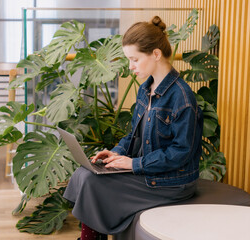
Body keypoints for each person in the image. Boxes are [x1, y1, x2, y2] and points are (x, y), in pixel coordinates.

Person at [63, 16, 204, 240]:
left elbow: (181, 153)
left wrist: (134, 163)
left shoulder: (182, 98)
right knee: (86, 172)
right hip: (149, 170)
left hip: (173, 181)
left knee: (93, 182)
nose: (130, 66)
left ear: (156, 54)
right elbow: (133, 135)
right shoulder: (145, 89)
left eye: (134, 59)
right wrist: (117, 152)